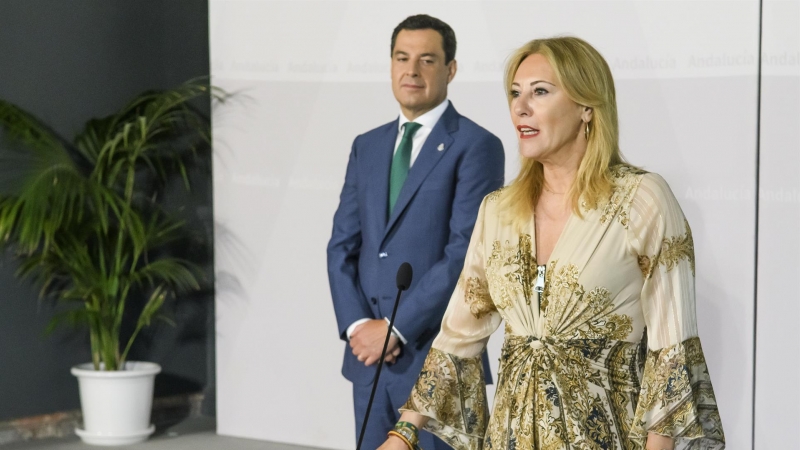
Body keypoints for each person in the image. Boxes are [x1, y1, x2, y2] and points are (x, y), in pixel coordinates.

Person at [379, 37, 725, 450]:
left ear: (586, 107)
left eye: (540, 91)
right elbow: (459, 334)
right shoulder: (498, 210)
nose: (520, 107)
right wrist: (404, 434)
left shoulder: (642, 198)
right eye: (515, 93)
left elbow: (673, 352)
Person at [327, 14, 505, 450]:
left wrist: (396, 328)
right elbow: (341, 247)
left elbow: (465, 253)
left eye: (427, 60)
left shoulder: (476, 145)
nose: (412, 70)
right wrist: (357, 328)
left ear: (451, 69)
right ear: (390, 65)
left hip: (438, 360)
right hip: (368, 361)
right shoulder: (366, 145)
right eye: (402, 58)